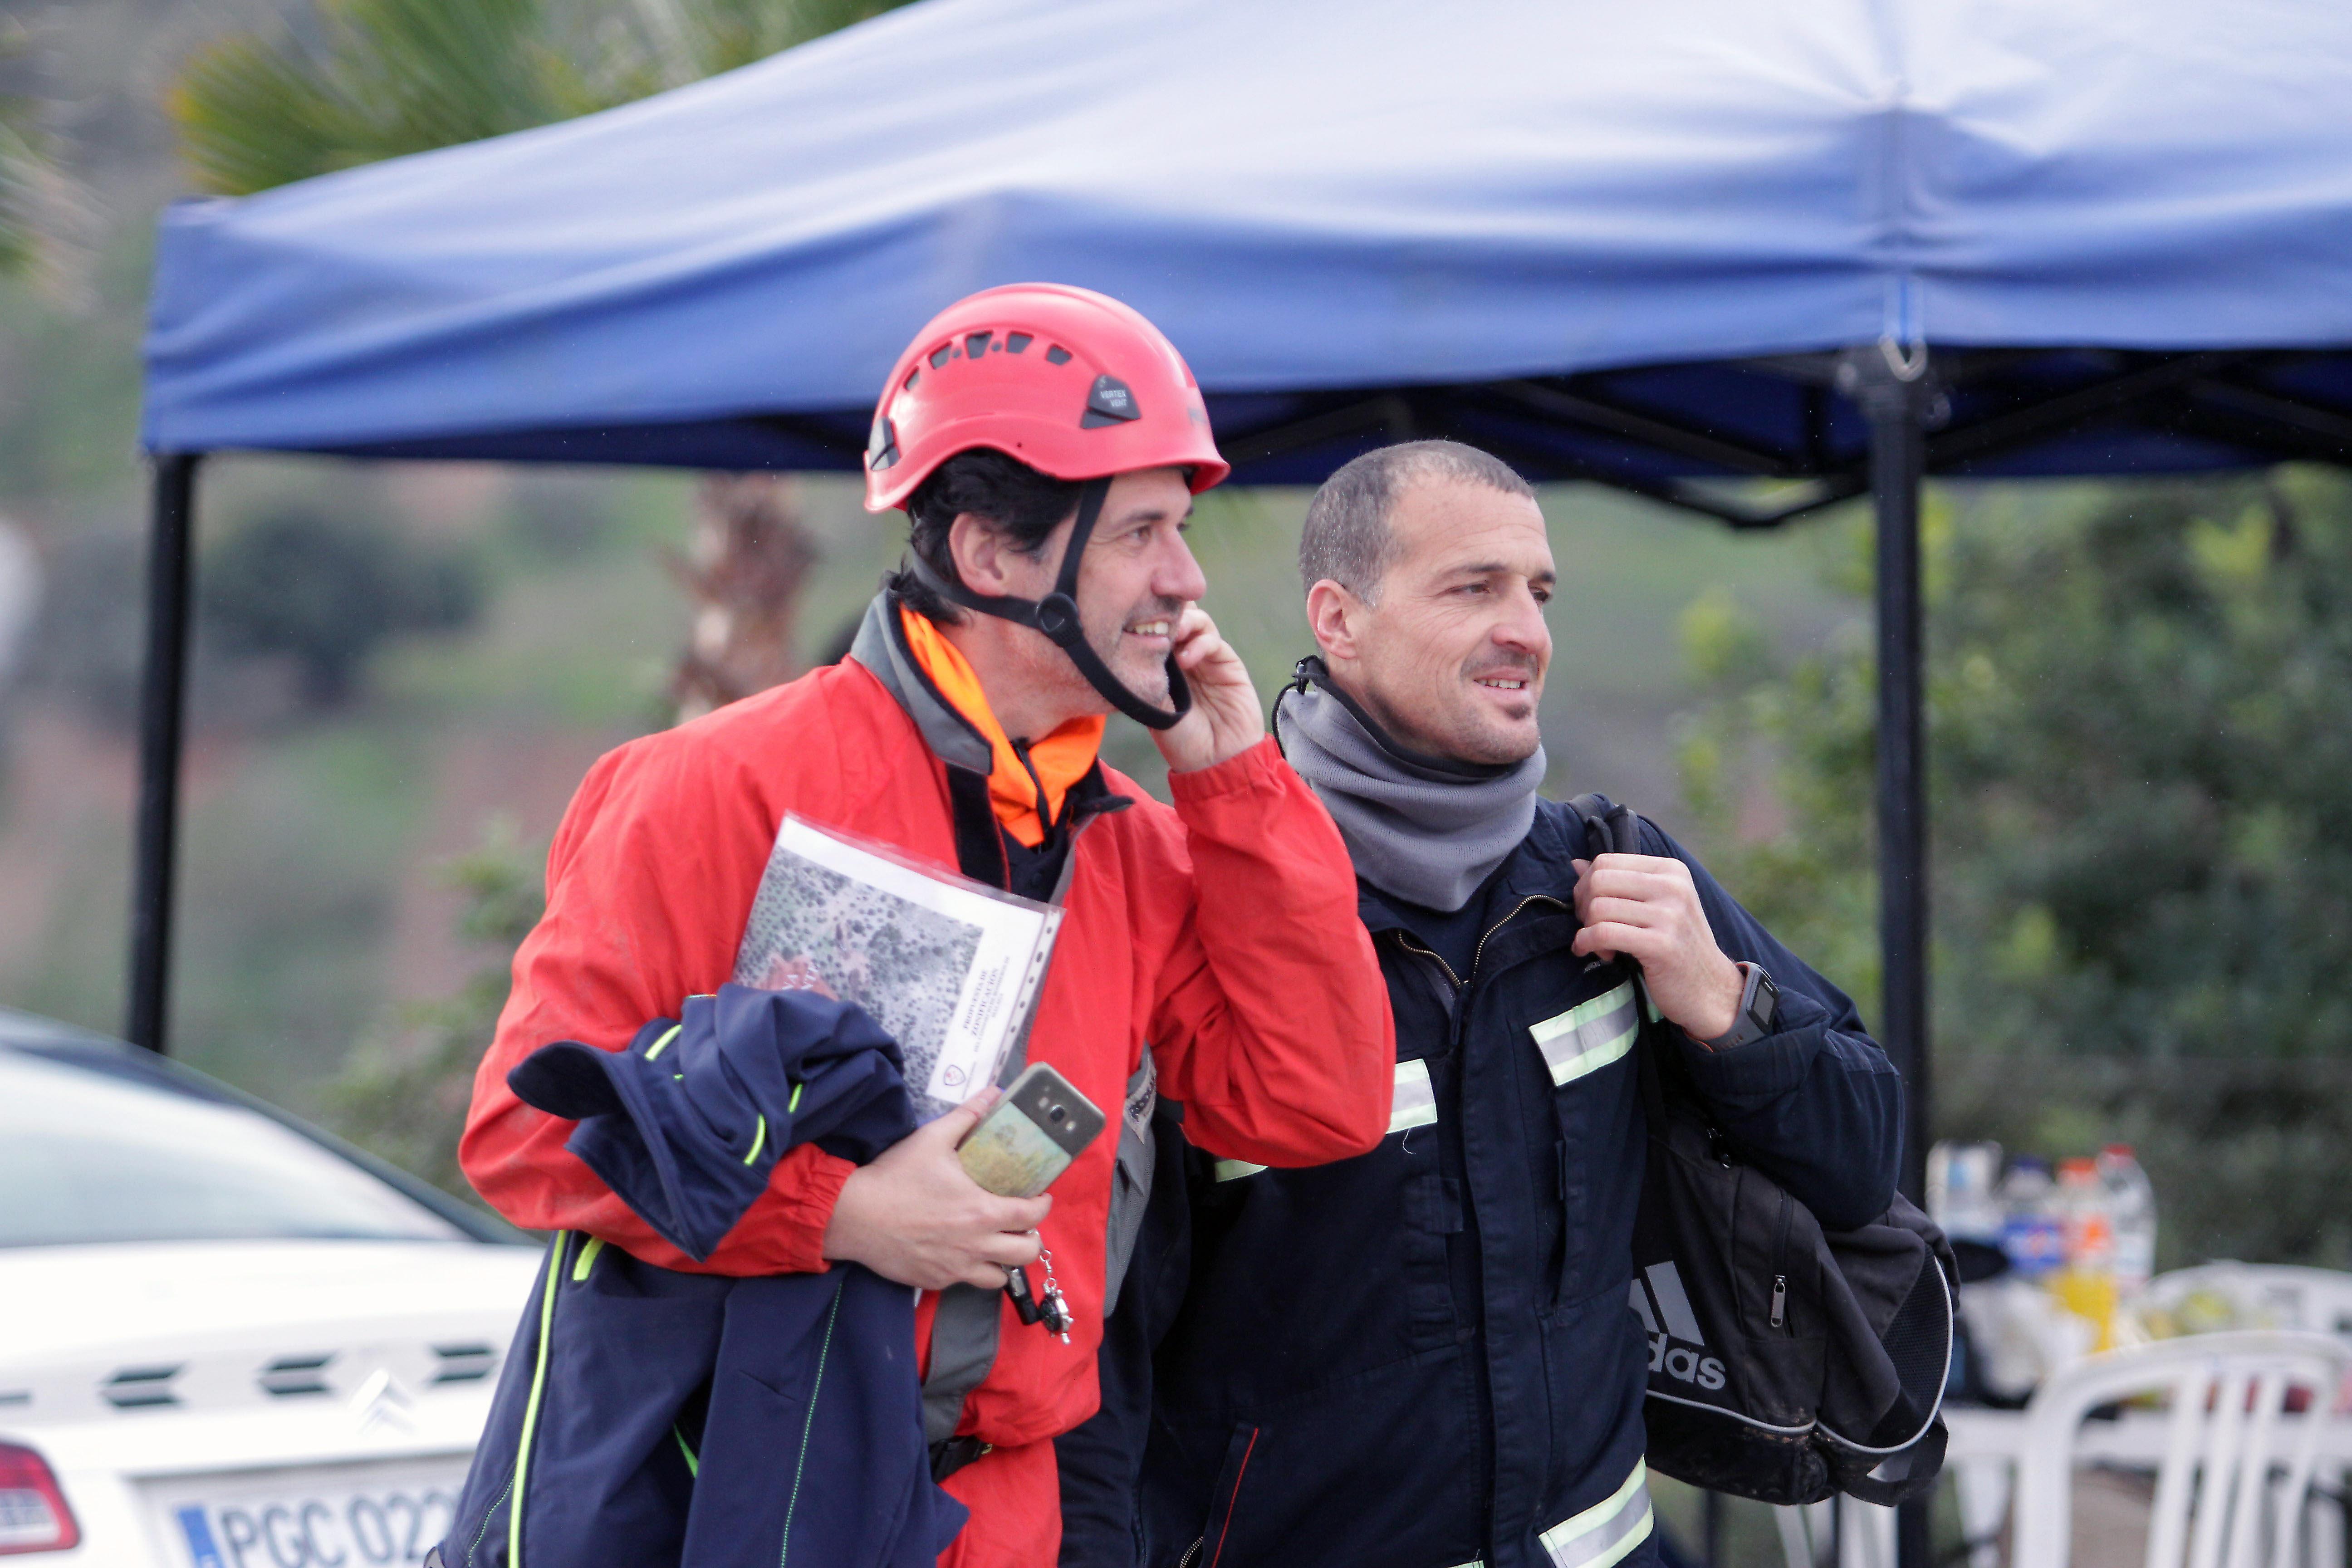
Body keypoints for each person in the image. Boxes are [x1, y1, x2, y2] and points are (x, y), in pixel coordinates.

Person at [456, 284, 1396, 1568]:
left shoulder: (1135, 836)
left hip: (1020, 1511)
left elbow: (1315, 1103)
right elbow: (526, 1133)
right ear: (993, 557)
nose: (1185, 581)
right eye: (1140, 534)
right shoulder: (709, 789)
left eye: (1180, 530)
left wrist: (1237, 788)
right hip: (742, 1500)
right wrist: (837, 1216)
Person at [1104, 440, 1904, 1568]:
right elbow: (1097, 1354)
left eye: (1537, 592)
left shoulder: (1613, 871)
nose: (1525, 629)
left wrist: (1726, 1006)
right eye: (1472, 588)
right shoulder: (1204, 909)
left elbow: (1864, 1158)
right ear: (1338, 620)